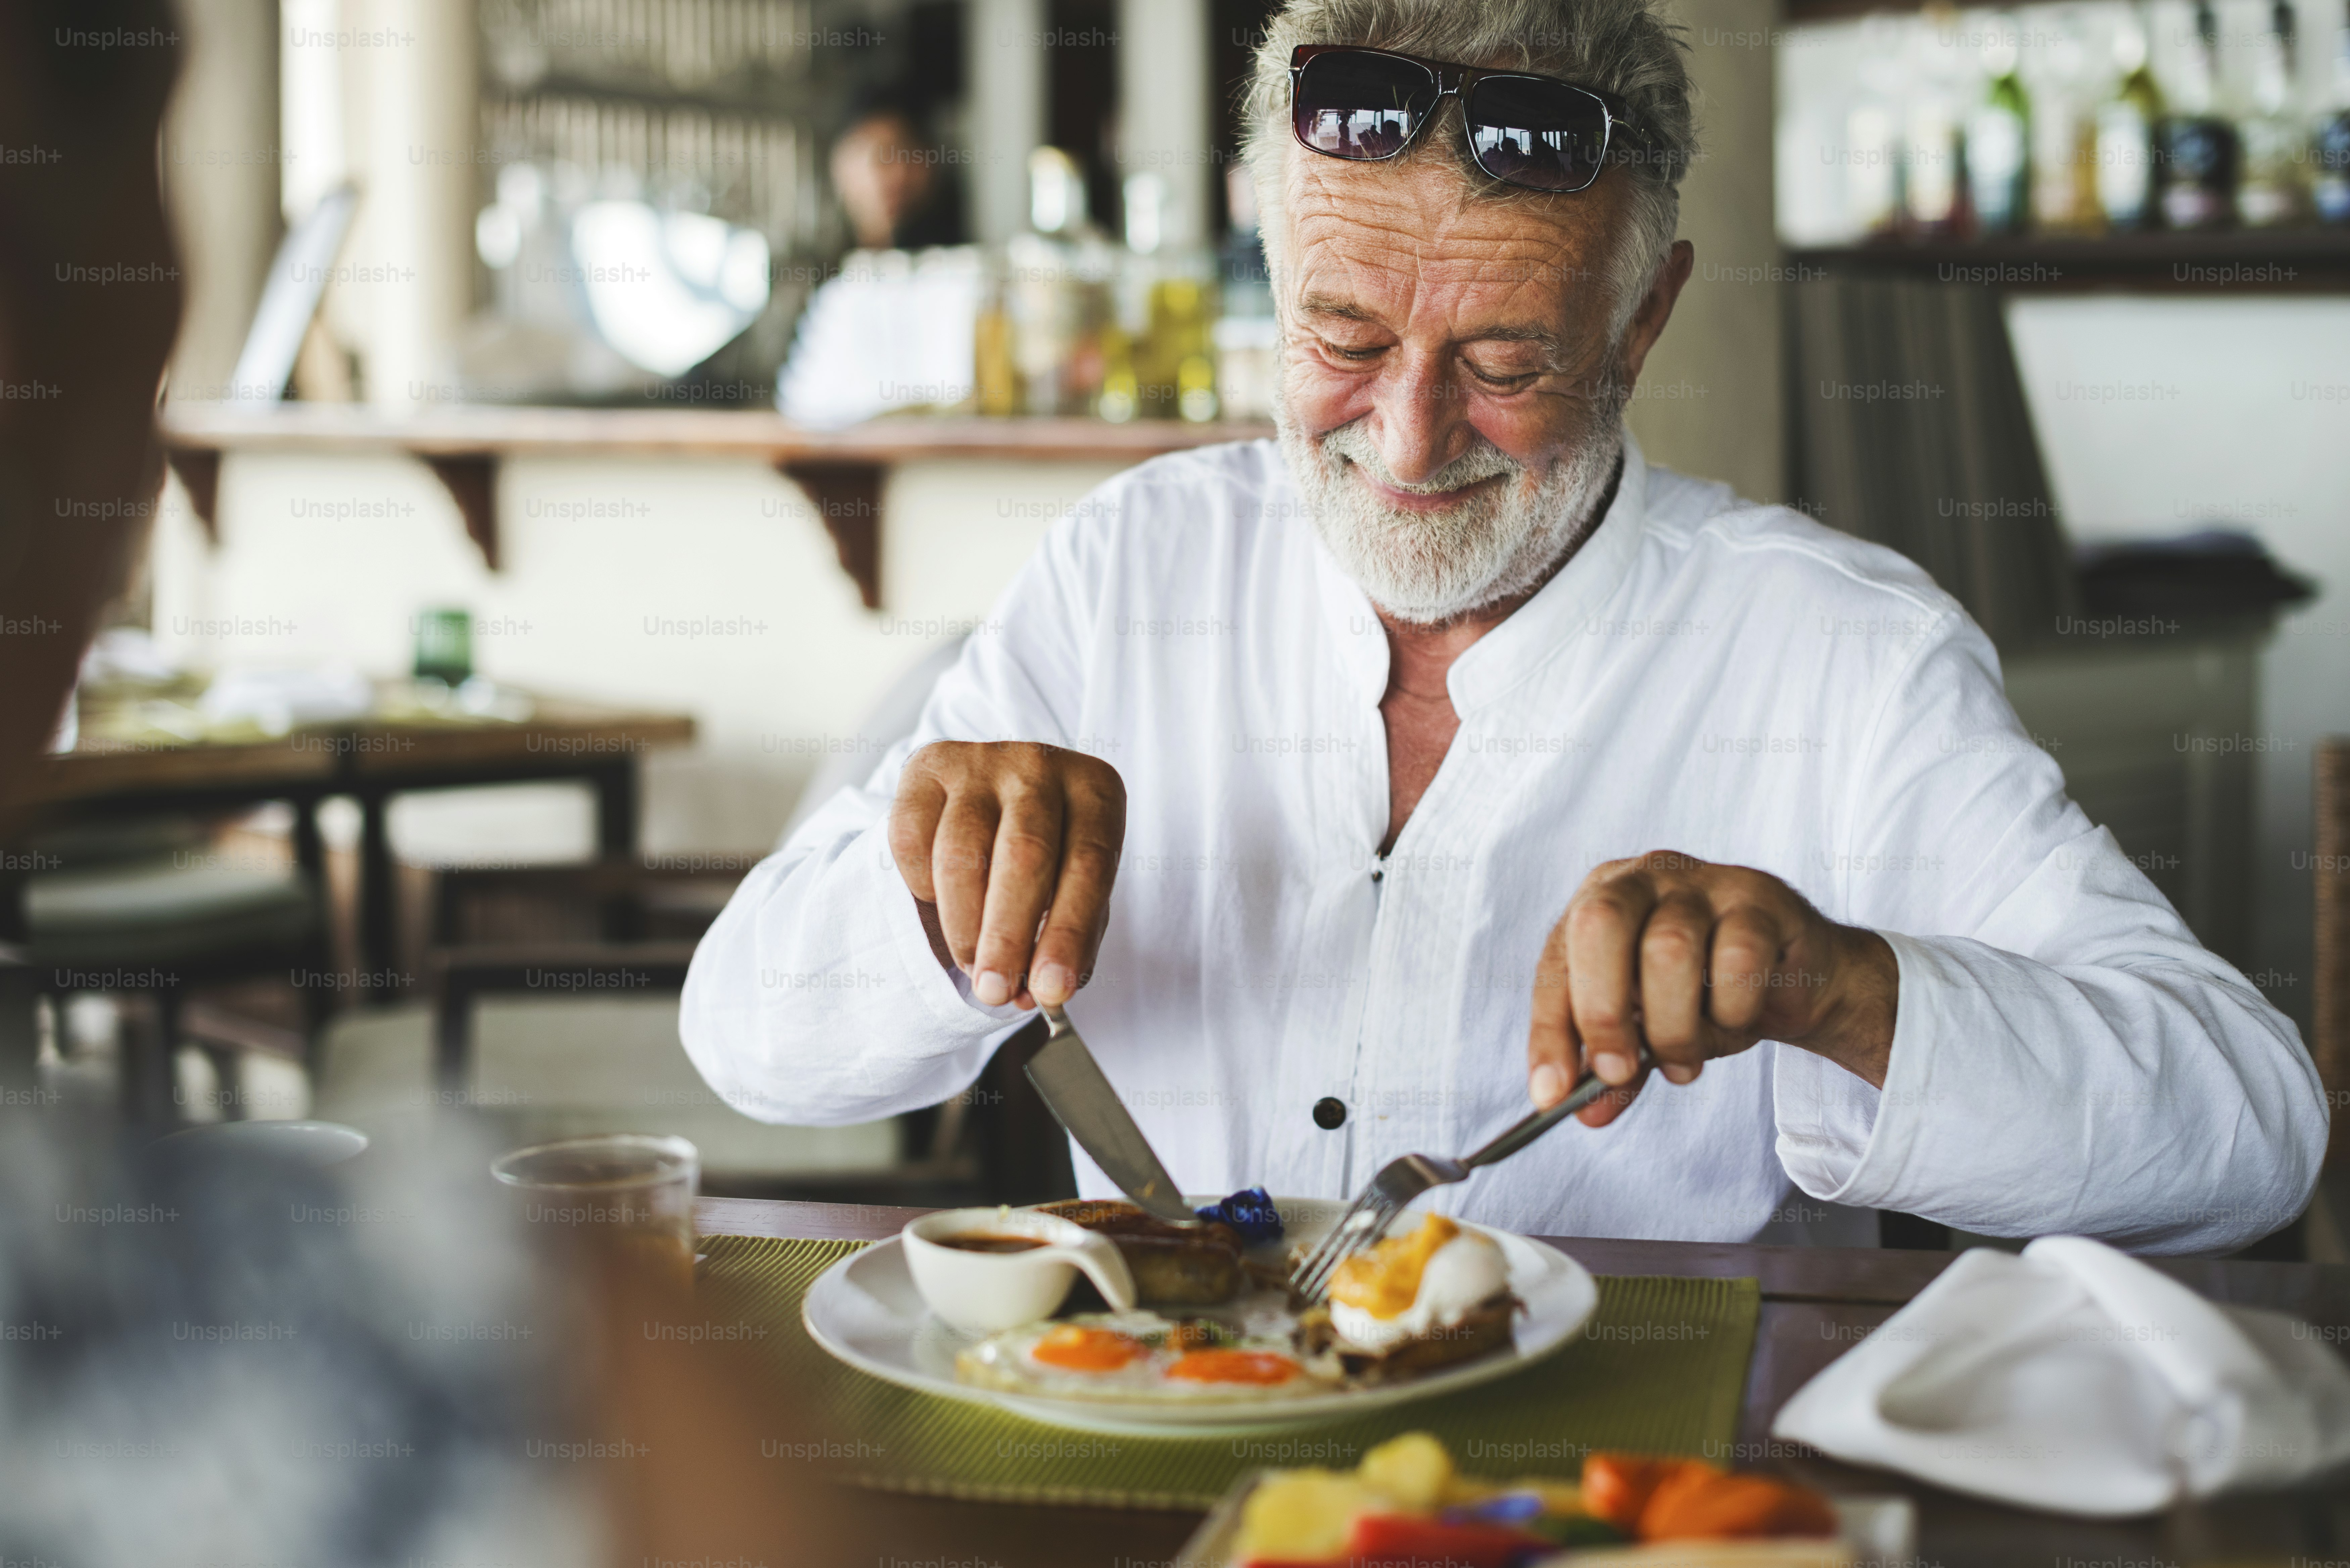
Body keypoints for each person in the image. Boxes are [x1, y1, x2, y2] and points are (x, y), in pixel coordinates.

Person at [683, 0, 2327, 1254]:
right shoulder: (1134, 568)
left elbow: (2252, 1130)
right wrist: (934, 899)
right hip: (1160, 1444)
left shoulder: (1838, 652)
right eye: (1339, 333)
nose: (1405, 441)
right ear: (1268, 269)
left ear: (1647, 314)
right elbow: (746, 1035)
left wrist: (1837, 988)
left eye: (1507, 364)